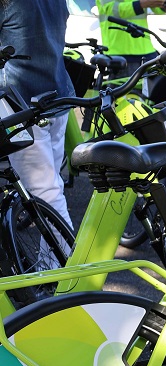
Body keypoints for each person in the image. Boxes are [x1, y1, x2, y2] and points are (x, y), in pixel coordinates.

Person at [0, 0, 74, 227]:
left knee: (45, 192)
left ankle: (67, 250)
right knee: (52, 186)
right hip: (56, 96)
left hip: (21, 105)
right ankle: (56, 250)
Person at [98, 0, 166, 75]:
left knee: (149, 94)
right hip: (120, 51)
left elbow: (156, 9)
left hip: (145, 50)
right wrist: (143, 3)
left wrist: (163, 5)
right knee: (121, 96)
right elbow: (112, 9)